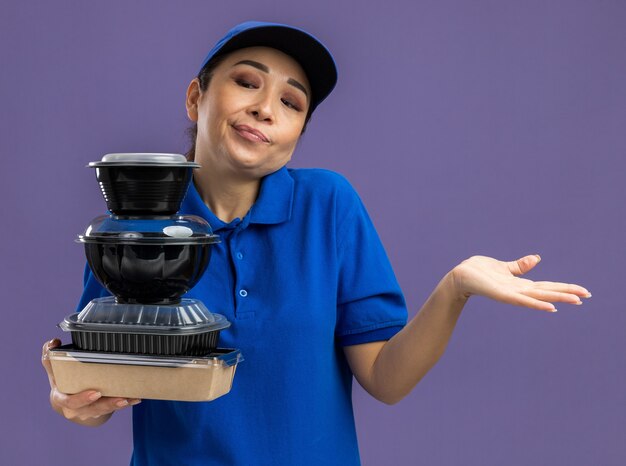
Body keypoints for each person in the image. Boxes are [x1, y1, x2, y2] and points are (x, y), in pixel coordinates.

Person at [41, 21, 591, 465]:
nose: (265, 109)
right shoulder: (135, 222)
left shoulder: (329, 205)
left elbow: (385, 378)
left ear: (298, 132)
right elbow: (99, 386)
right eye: (247, 82)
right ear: (196, 97)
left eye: (292, 103)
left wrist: (455, 289)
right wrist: (77, 400)